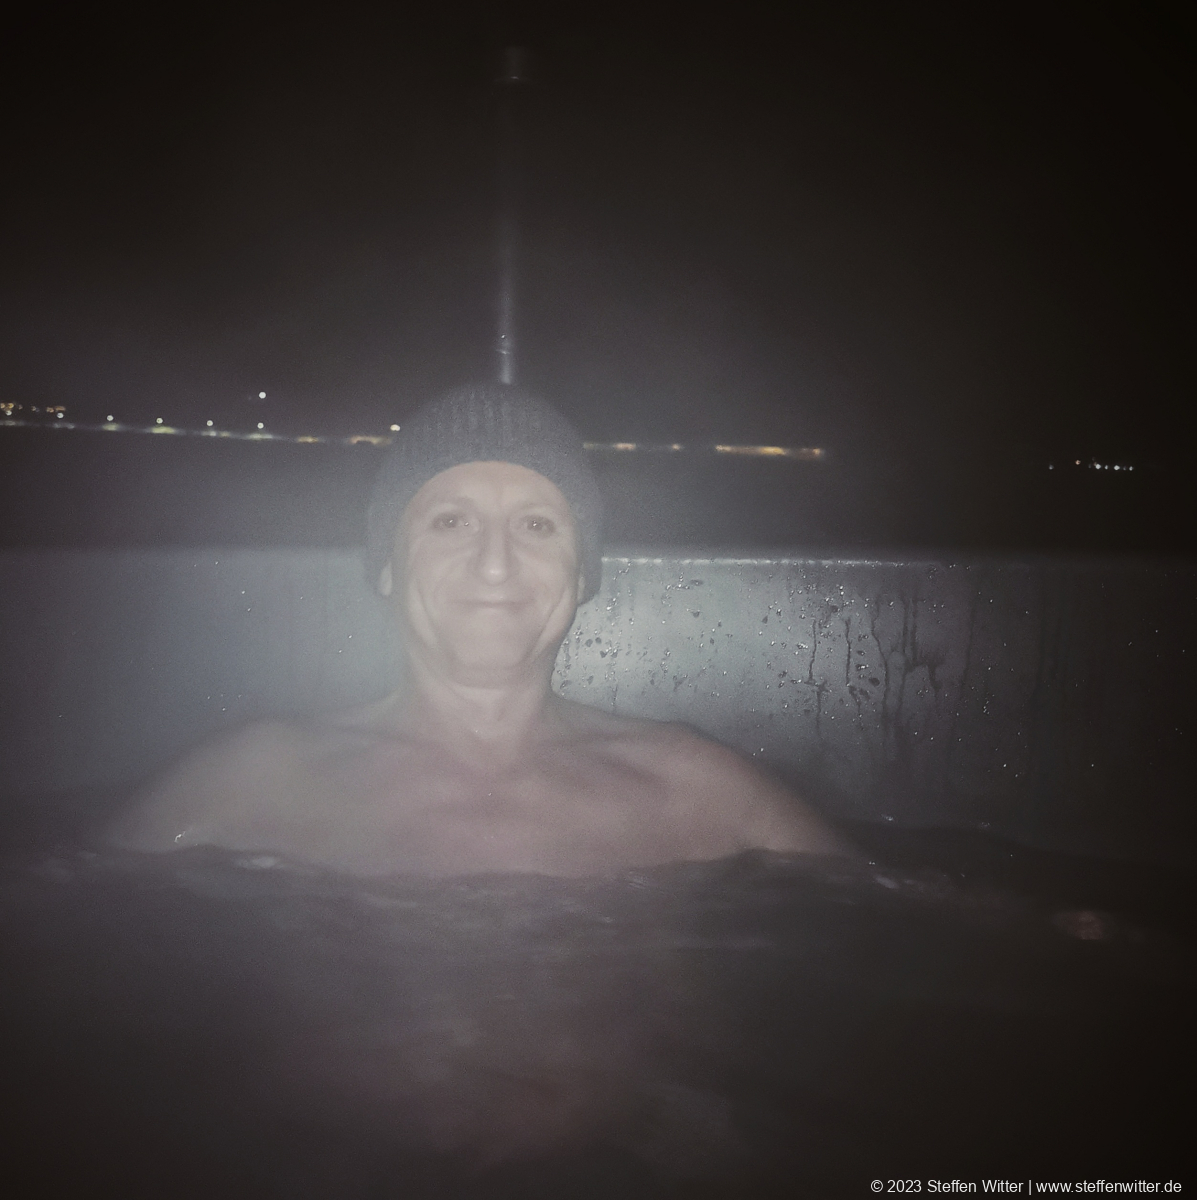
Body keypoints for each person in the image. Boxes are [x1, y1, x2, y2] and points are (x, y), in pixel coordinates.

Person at [106, 385, 847, 875]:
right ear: (387, 566)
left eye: (536, 525)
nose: (495, 563)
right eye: (451, 521)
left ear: (582, 576)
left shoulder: (700, 788)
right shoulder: (250, 780)